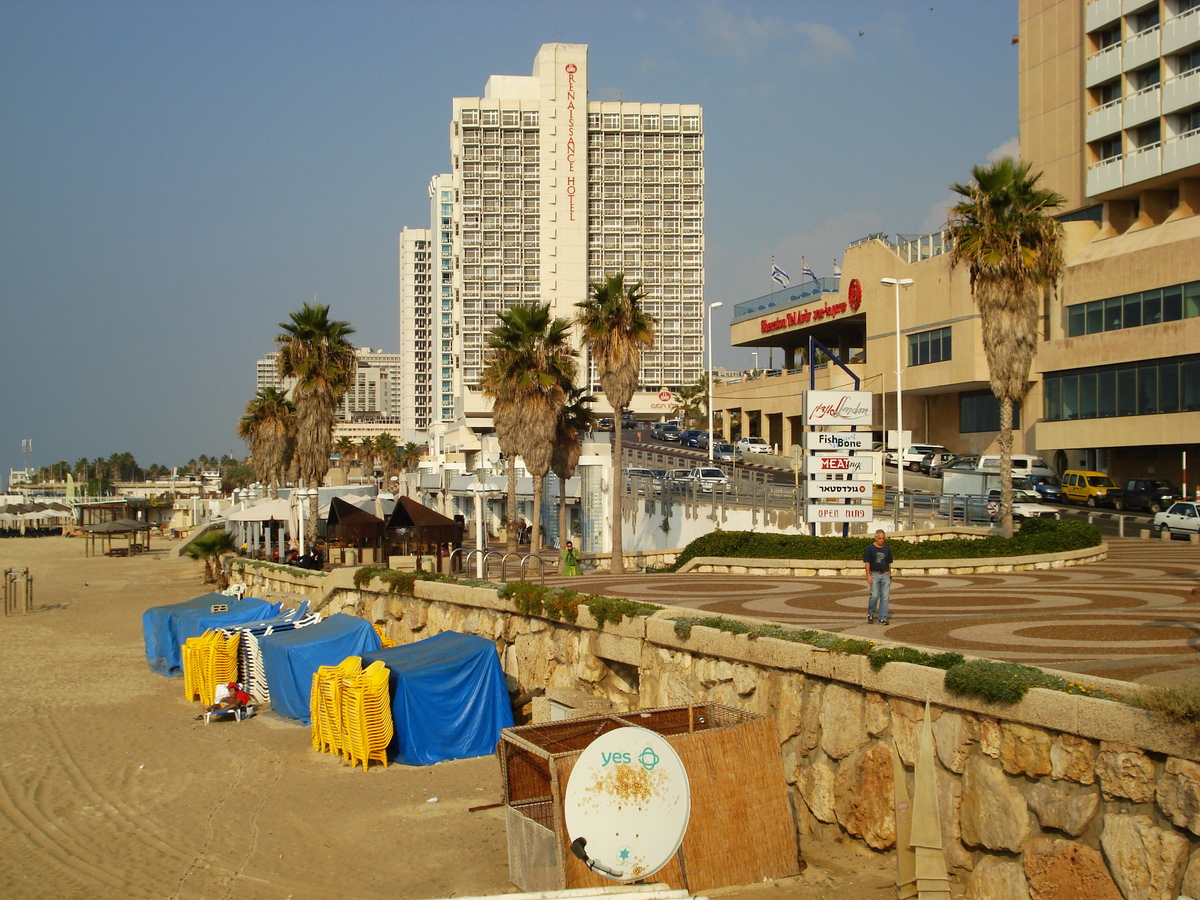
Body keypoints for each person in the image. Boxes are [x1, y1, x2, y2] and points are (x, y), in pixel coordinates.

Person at [862, 529, 893, 625]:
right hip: (874, 574)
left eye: (883, 538)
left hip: (885, 574)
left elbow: (889, 563)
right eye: (879, 538)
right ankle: (870, 613)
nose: (881, 540)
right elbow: (867, 563)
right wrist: (868, 576)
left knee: (885, 597)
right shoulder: (870, 549)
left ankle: (883, 618)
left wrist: (889, 574)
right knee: (875, 595)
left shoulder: (887, 549)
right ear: (875, 538)